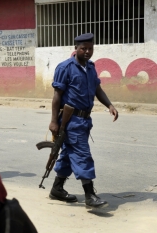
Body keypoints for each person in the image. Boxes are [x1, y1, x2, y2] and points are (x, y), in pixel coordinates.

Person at [48, 33, 119, 209]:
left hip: (85, 120)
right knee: (82, 155)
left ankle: (57, 189)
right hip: (70, 120)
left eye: (90, 48)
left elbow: (97, 89)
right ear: (76, 49)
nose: (87, 52)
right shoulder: (65, 67)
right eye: (83, 48)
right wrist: (53, 121)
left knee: (67, 155)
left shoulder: (91, 67)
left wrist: (109, 105)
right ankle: (89, 195)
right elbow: (57, 96)